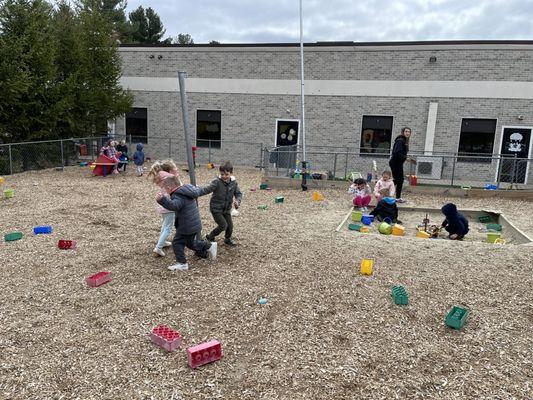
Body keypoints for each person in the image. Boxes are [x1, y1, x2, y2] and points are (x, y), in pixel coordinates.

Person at [156, 175, 217, 271]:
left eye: (165, 189)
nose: (166, 192)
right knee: (190, 243)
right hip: (193, 223)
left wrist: (162, 200)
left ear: (169, 188)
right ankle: (209, 246)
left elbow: (174, 206)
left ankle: (182, 263)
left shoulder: (177, 195)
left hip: (186, 225)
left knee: (177, 242)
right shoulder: (186, 190)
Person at [197, 161, 243, 246]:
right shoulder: (216, 182)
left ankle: (227, 239)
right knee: (223, 225)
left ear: (231, 173)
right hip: (216, 208)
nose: (224, 176)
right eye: (222, 174)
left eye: (226, 174)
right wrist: (196, 192)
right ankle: (210, 236)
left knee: (230, 226)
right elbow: (207, 189)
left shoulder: (233, 183)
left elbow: (238, 193)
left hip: (226, 209)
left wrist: (237, 201)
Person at [148, 160, 181, 256]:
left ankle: (162, 242)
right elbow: (180, 188)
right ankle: (158, 248)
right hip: (168, 205)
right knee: (168, 227)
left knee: (165, 224)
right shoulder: (171, 178)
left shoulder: (163, 178)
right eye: (175, 168)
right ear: (170, 171)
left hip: (163, 205)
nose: (177, 169)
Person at [389, 127, 412, 203]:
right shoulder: (400, 140)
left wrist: (405, 157)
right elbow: (396, 153)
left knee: (399, 180)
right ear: (403, 132)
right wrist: (406, 158)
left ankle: (397, 197)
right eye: (406, 131)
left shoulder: (404, 141)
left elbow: (401, 153)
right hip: (395, 163)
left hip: (399, 163)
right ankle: (384, 189)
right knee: (398, 180)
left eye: (409, 132)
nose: (407, 133)